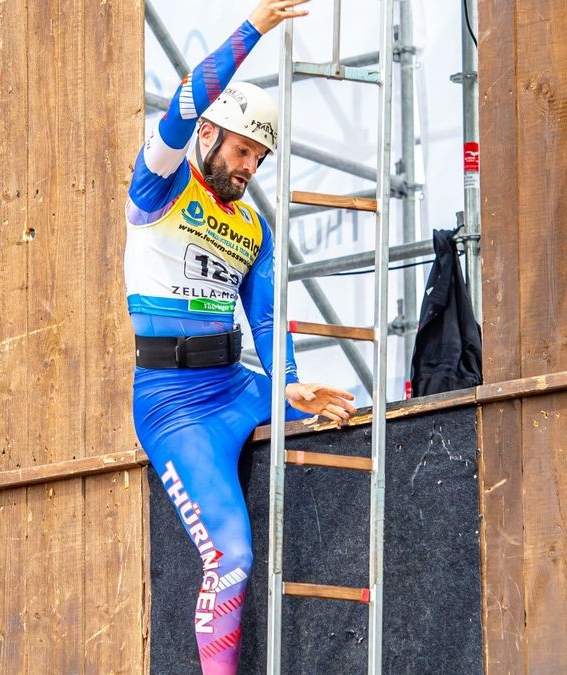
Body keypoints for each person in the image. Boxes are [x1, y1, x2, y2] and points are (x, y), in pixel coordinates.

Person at [125, 2, 356, 672]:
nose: (250, 164)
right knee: (230, 552)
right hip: (173, 406)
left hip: (237, 387)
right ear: (208, 136)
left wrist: (289, 382)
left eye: (259, 156)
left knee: (348, 422)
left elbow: (265, 312)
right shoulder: (159, 183)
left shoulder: (253, 226)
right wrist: (256, 26)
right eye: (242, 149)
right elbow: (185, 97)